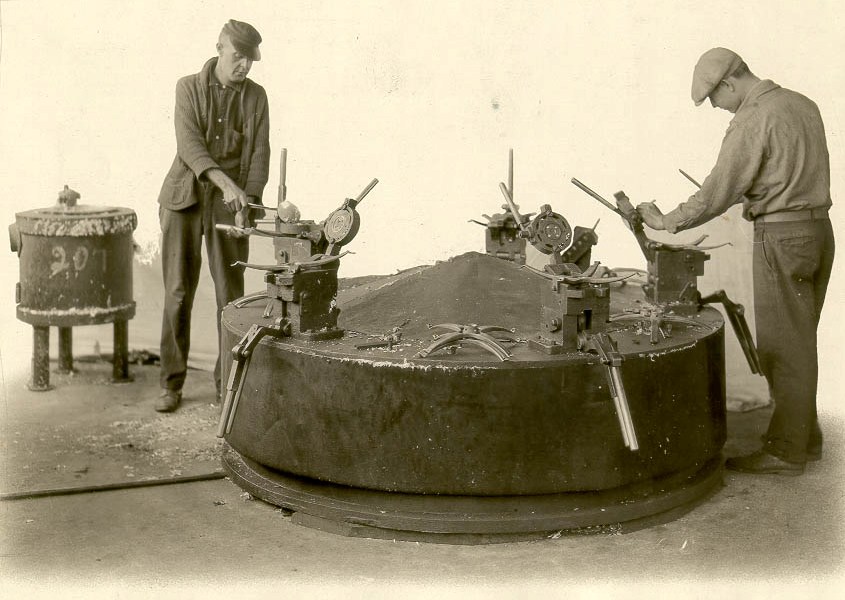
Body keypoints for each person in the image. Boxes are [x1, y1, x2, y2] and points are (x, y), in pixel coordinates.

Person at [636, 47, 834, 475]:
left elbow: (718, 189)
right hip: (819, 233)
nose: (717, 108)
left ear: (728, 83)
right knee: (802, 339)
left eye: (713, 99)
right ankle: (807, 438)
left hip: (782, 237)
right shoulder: (803, 103)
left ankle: (785, 451)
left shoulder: (751, 119)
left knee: (784, 348)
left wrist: (667, 221)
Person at [155, 20, 271, 412]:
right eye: (237, 57)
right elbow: (190, 146)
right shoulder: (187, 86)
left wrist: (248, 205)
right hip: (184, 199)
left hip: (232, 203)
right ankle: (171, 383)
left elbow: (259, 157)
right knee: (177, 292)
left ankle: (228, 386)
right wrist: (228, 186)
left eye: (249, 60)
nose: (244, 67)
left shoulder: (257, 97)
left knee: (231, 298)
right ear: (219, 47)